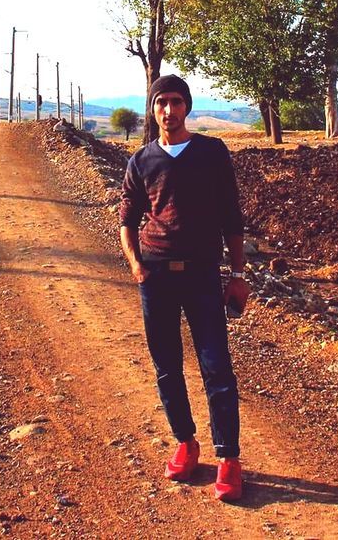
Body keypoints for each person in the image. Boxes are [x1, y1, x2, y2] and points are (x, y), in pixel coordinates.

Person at [119, 74, 250, 502]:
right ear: (152, 108)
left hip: (202, 274)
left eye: (176, 102)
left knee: (217, 367)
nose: (168, 110)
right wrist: (137, 265)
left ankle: (228, 459)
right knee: (166, 365)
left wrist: (238, 274)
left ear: (187, 106)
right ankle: (186, 443)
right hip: (156, 276)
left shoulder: (212, 153)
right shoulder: (141, 161)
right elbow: (126, 219)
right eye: (161, 103)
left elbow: (232, 216)